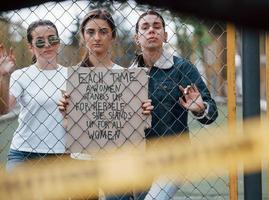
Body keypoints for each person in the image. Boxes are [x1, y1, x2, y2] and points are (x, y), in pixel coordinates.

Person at [58, 9, 153, 200]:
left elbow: (139, 125)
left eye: (103, 31)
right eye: (90, 32)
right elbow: (68, 126)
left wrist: (144, 113)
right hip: (82, 160)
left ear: (113, 37)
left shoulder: (126, 76)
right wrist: (65, 113)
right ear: (83, 37)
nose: (97, 37)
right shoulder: (72, 76)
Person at [131, 10, 218, 200]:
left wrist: (201, 108)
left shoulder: (182, 68)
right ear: (137, 37)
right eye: (145, 27)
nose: (151, 30)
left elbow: (212, 112)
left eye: (157, 26)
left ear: (165, 35)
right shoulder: (128, 74)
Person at [0, 20, 68, 171]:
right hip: (24, 152)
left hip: (60, 153)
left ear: (58, 42)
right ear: (31, 47)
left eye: (52, 39)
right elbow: (3, 110)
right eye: (40, 42)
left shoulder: (71, 75)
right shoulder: (21, 75)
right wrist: (3, 76)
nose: (47, 45)